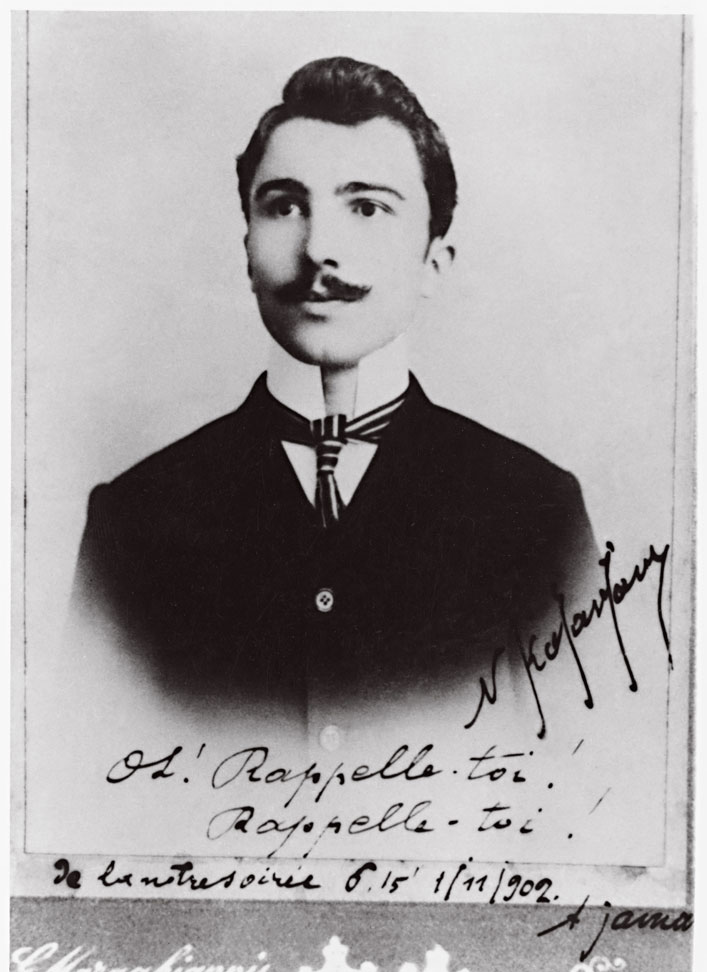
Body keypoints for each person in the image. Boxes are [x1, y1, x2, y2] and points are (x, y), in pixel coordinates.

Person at [71, 56, 597, 716]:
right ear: (247, 251)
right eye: (285, 206)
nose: (319, 247)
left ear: (433, 261)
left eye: (368, 207)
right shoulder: (134, 518)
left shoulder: (534, 512)